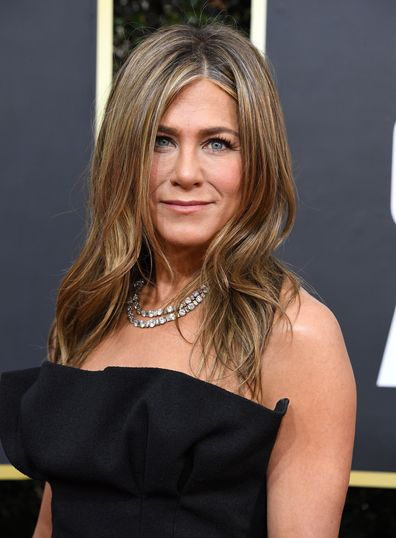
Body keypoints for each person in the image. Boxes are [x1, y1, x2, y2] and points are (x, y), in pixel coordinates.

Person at [0, 22, 356, 538]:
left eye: (217, 143)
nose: (185, 171)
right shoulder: (89, 307)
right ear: (125, 156)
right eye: (161, 140)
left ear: (257, 160)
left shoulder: (295, 334)